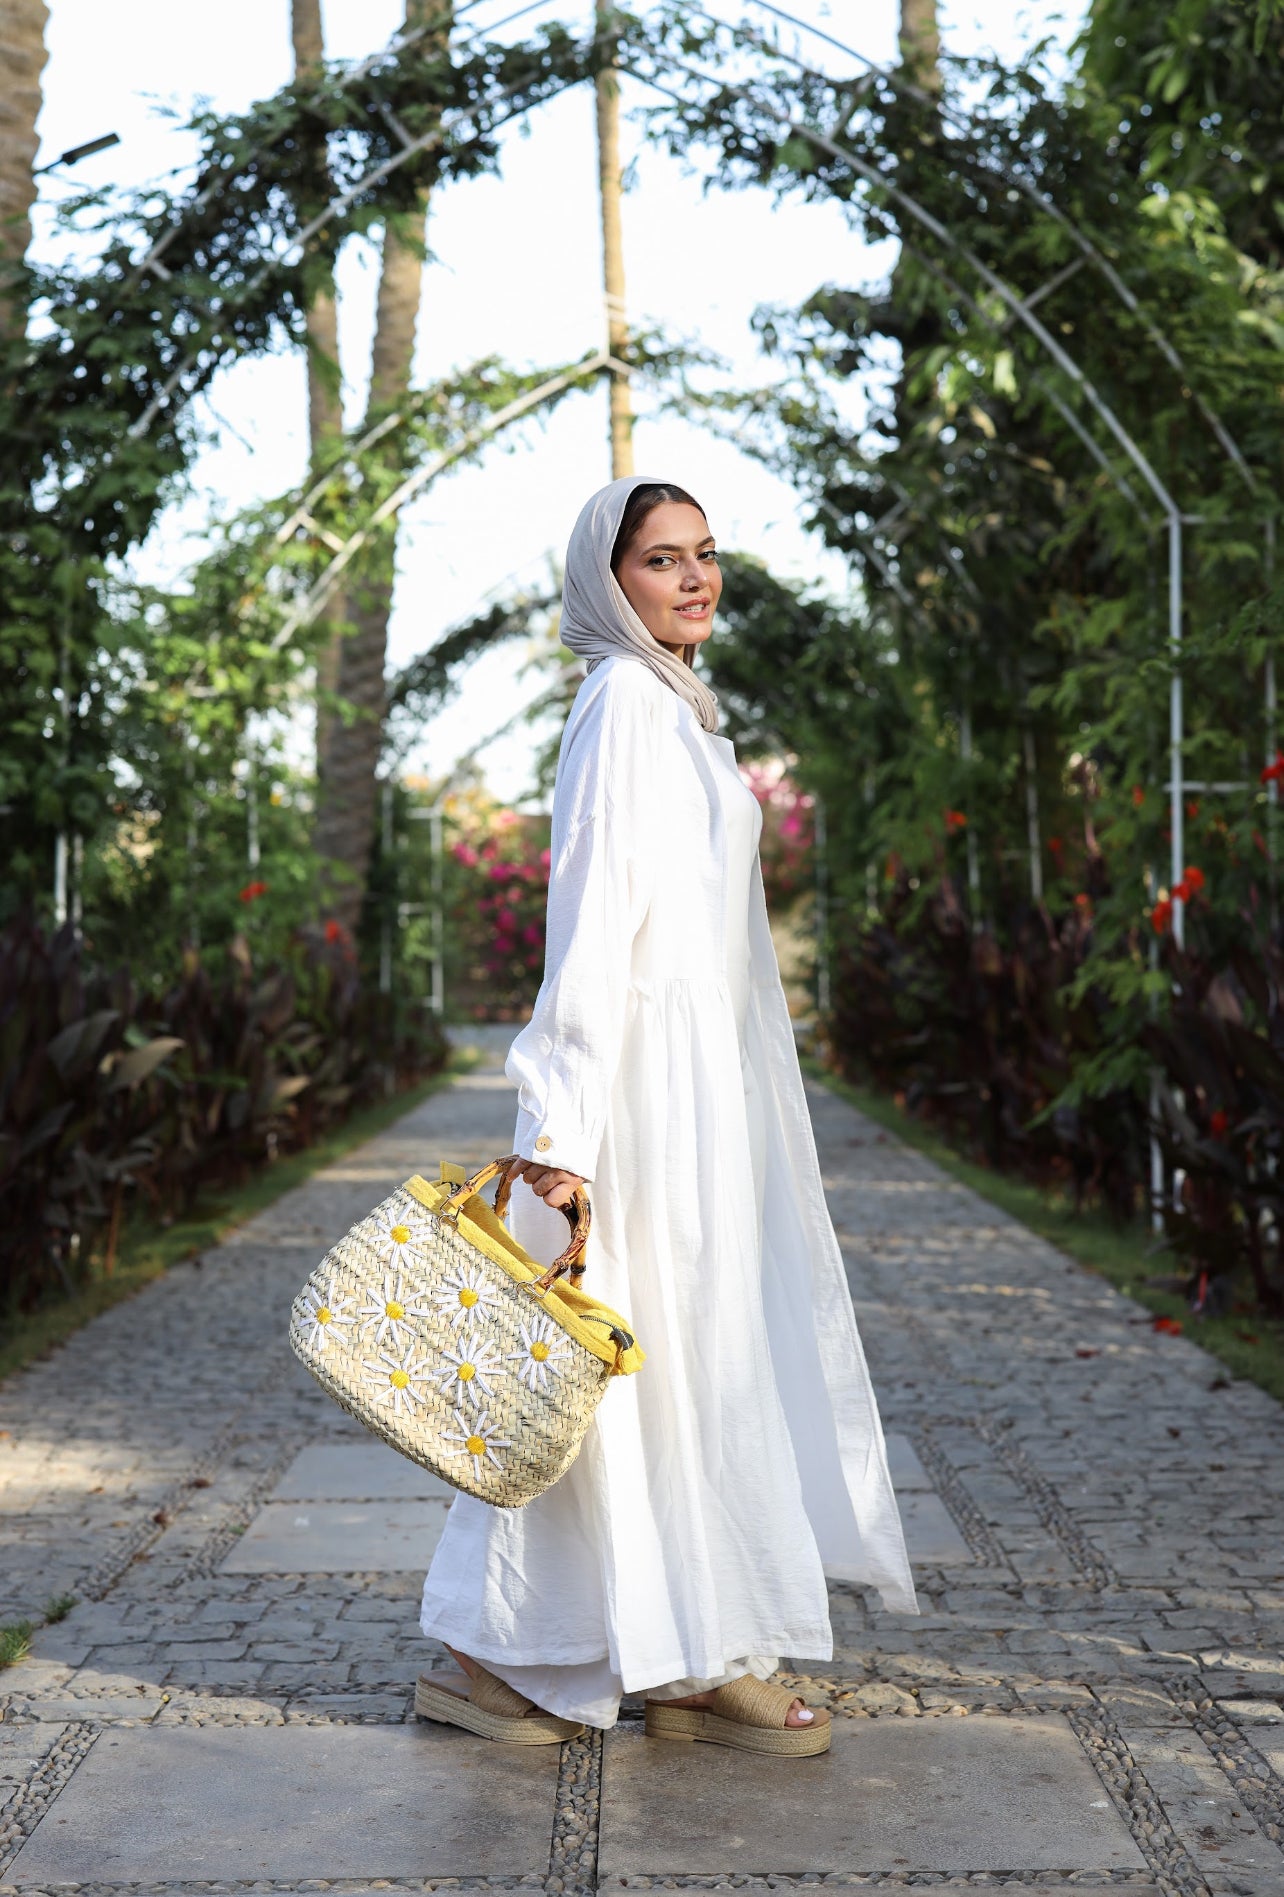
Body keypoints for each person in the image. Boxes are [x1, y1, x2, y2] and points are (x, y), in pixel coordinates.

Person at [416, 476, 918, 1757]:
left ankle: (683, 1647)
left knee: (695, 1366)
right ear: (610, 581)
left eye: (706, 556)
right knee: (604, 1380)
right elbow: (586, 937)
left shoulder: (684, 712)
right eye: (661, 559)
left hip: (707, 1095)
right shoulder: (624, 707)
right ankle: (513, 1655)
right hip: (638, 1099)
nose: (694, 579)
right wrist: (557, 1141)